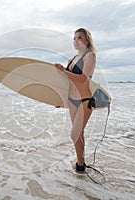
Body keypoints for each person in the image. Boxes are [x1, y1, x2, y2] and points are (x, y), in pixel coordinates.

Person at [55, 28, 96, 172]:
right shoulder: (71, 59)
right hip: (72, 100)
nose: (76, 41)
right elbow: (67, 83)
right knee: (79, 135)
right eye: (74, 38)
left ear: (86, 40)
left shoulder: (89, 56)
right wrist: (60, 100)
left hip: (85, 100)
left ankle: (81, 164)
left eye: (79, 38)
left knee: (74, 134)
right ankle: (81, 164)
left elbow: (83, 79)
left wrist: (63, 71)